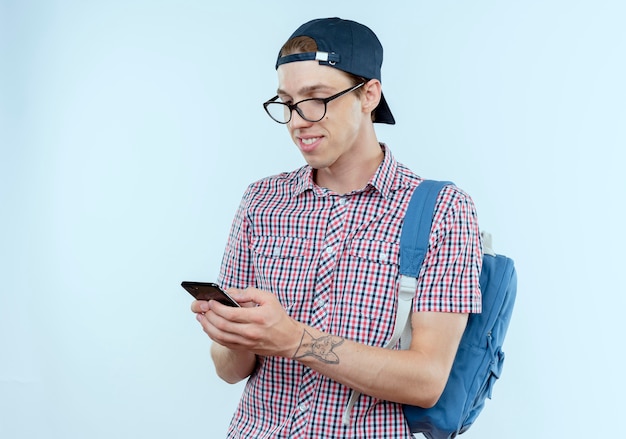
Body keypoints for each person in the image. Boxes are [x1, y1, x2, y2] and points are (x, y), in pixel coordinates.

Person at [191, 17, 482, 438]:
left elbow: (428, 380)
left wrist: (294, 340)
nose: (297, 121)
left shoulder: (442, 210)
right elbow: (229, 371)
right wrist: (229, 334)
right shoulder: (261, 201)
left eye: (316, 98)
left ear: (369, 95)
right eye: (287, 102)